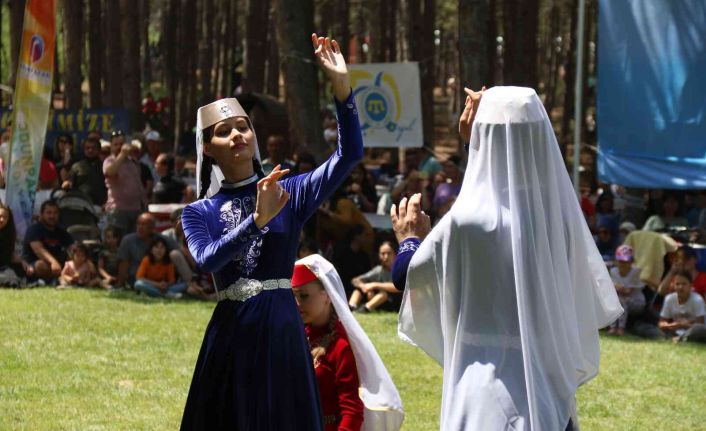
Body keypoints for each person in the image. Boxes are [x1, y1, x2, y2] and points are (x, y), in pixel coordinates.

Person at [390, 87, 622, 430]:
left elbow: (405, 276)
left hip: (482, 389)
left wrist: (410, 240)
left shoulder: (466, 222)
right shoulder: (556, 218)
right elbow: (499, 181)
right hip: (545, 388)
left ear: (487, 137)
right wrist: (475, 144)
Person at [179, 34, 363, 430]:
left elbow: (349, 155)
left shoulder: (290, 190)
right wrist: (257, 220)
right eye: (224, 131)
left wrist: (342, 89)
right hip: (233, 331)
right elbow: (207, 258)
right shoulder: (198, 212)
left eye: (243, 126)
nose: (237, 136)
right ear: (208, 148)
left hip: (281, 325)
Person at [292, 255, 404, 431]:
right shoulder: (295, 337)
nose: (297, 303)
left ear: (327, 295)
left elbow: (351, 411)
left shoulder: (342, 345)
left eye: (304, 296)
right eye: (294, 296)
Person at [115, 213, 181, 288]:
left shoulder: (162, 240)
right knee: (139, 284)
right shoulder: (128, 240)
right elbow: (123, 263)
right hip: (139, 280)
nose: (140, 227)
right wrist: (120, 284)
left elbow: (179, 250)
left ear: (152, 227)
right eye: (138, 224)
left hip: (161, 281)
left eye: (144, 225)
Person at [103, 130, 147, 234]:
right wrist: (122, 154)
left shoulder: (133, 161)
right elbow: (110, 173)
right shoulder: (109, 161)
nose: (119, 147)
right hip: (118, 210)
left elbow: (138, 184)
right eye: (116, 144)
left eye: (121, 144)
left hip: (136, 209)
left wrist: (144, 203)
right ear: (111, 147)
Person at [22, 201, 74, 283]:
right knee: (41, 265)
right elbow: (39, 250)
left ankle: (62, 278)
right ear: (42, 214)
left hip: (56, 263)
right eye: (48, 213)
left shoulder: (61, 230)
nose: (52, 216)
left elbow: (72, 247)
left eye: (55, 213)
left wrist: (77, 261)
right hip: (35, 264)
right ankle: (60, 279)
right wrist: (53, 262)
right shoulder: (34, 229)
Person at [349, 241, 400, 313]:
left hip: (394, 302)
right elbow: (355, 280)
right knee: (358, 290)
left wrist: (374, 285)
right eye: (383, 254)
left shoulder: (400, 269)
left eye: (389, 253)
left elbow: (399, 287)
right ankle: (351, 307)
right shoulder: (378, 270)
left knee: (384, 293)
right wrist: (364, 287)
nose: (386, 256)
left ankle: (364, 309)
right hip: (379, 302)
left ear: (395, 254)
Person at [658, 270, 706, 343]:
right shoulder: (669, 298)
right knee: (646, 328)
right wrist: (673, 325)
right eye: (677, 284)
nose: (680, 287)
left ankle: (679, 339)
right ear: (673, 285)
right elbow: (661, 323)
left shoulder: (697, 300)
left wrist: (683, 325)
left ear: (690, 285)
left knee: (698, 329)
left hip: (692, 331)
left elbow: (701, 325)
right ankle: (679, 338)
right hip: (674, 330)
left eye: (684, 284)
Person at [607, 245, 645, 335]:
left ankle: (620, 328)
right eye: (620, 261)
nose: (622, 264)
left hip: (636, 302)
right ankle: (612, 327)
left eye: (625, 261)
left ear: (631, 262)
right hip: (620, 299)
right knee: (615, 300)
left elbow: (628, 292)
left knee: (621, 300)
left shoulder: (636, 272)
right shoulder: (613, 271)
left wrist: (618, 287)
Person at [63, 136, 107, 206]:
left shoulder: (105, 166)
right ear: (84, 150)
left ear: (99, 150)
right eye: (87, 148)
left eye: (93, 148)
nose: (90, 150)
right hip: (81, 204)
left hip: (101, 205)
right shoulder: (76, 166)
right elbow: (69, 182)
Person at [0, 204, 31, 286]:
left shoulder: (8, 234)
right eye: (0, 216)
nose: (2, 220)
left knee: (19, 272)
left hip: (4, 267)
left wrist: (23, 262)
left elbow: (9, 255)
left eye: (5, 217)